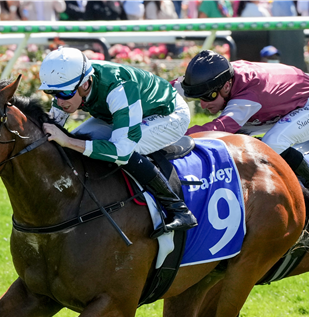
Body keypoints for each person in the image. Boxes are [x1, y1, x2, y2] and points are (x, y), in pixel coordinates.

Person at [39, 47, 197, 236]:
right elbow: (54, 127)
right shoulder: (71, 81)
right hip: (120, 112)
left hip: (166, 114)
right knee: (75, 140)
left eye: (63, 93)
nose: (58, 100)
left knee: (124, 152)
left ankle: (178, 209)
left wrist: (69, 141)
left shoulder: (118, 88)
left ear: (85, 84)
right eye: (52, 92)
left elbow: (122, 150)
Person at [177, 50, 309, 195]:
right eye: (198, 98)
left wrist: (177, 137)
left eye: (207, 97)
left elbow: (221, 127)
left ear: (226, 87)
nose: (203, 105)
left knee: (273, 143)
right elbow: (170, 89)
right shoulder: (221, 77)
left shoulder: (247, 97)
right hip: (282, 99)